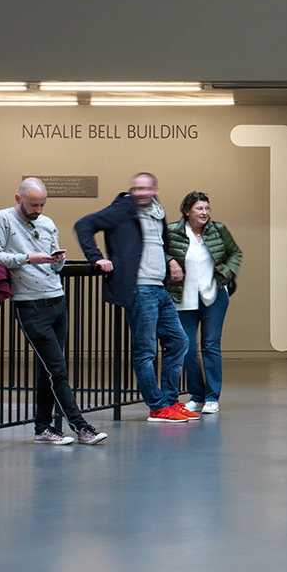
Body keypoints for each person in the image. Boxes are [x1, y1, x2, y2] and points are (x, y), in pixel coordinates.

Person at [0, 179, 107, 445]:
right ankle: (81, 426)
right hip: (30, 304)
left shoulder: (47, 223)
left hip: (56, 299)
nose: (38, 209)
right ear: (18, 198)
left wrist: (58, 260)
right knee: (57, 369)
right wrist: (28, 258)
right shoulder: (1, 219)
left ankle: (43, 428)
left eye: (42, 204)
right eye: (32, 204)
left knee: (48, 369)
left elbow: (56, 269)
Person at [75, 172, 195, 424]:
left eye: (144, 188)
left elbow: (156, 245)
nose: (139, 193)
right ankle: (157, 407)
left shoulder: (157, 212)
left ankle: (171, 401)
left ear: (154, 190)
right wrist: (96, 257)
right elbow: (84, 225)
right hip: (139, 290)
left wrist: (170, 261)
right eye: (135, 188)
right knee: (145, 350)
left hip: (158, 288)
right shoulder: (122, 210)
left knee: (179, 341)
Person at [165, 190, 241, 416]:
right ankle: (196, 395)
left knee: (211, 345)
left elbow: (235, 253)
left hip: (214, 296)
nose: (204, 212)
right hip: (183, 297)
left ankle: (212, 397)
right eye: (199, 208)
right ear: (187, 210)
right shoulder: (171, 231)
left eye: (207, 208)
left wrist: (225, 274)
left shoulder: (219, 230)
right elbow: (160, 252)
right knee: (186, 348)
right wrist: (170, 261)